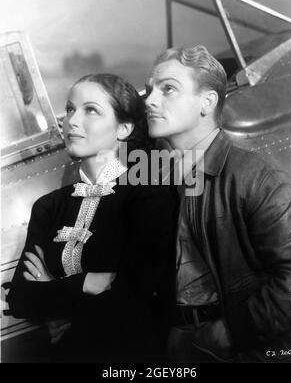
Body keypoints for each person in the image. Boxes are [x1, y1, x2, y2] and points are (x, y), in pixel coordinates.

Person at [7, 73, 178, 363]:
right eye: (70, 109)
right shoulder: (48, 207)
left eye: (91, 110)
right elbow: (21, 299)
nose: (71, 121)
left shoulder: (150, 194)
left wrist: (54, 295)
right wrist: (86, 283)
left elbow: (140, 297)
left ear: (123, 128)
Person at [145, 45, 291, 363]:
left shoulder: (255, 177)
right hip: (182, 345)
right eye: (149, 90)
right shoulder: (158, 181)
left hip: (249, 349)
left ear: (207, 101)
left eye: (168, 89)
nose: (149, 99)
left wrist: (232, 332)